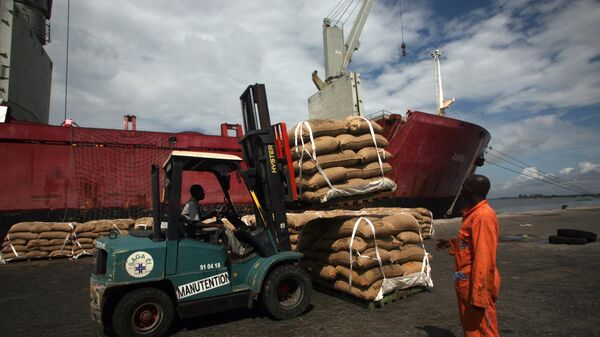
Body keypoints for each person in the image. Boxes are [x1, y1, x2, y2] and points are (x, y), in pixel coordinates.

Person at [437, 174, 501, 337]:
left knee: (484, 330)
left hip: (475, 283)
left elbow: (484, 256)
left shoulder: (482, 216)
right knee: (471, 328)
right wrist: (451, 243)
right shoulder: (472, 215)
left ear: (471, 190)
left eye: (463, 186)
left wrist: (480, 296)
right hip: (464, 281)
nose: (461, 190)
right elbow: (470, 244)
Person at [181, 184, 246, 256]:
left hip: (193, 228)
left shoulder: (193, 203)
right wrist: (215, 225)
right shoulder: (192, 204)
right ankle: (240, 251)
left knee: (220, 223)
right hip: (194, 230)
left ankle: (228, 249)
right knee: (223, 227)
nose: (204, 193)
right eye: (201, 192)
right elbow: (196, 224)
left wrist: (209, 215)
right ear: (196, 193)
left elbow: (197, 220)